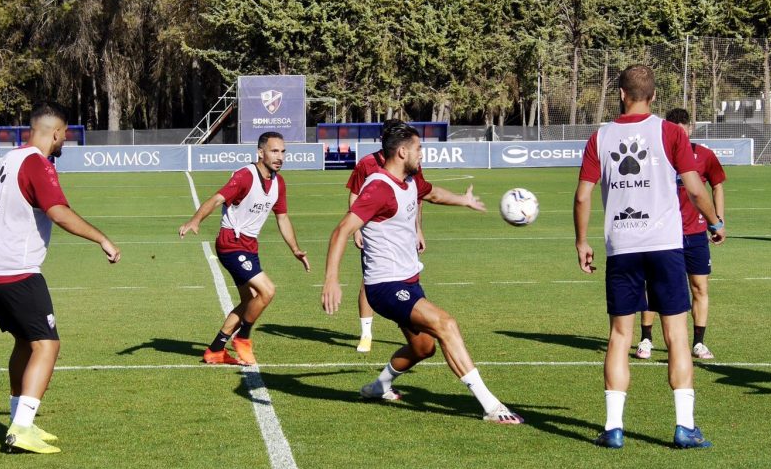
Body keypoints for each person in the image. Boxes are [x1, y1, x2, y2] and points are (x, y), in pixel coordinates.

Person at [321, 121, 522, 424]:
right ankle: (492, 407)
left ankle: (379, 387)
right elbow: (341, 231)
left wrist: (464, 200)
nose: (423, 155)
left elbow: (433, 193)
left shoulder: (411, 181)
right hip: (385, 286)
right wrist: (331, 280)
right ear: (402, 152)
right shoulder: (379, 187)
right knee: (446, 324)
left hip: (409, 280)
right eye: (419, 149)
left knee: (423, 347)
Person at [574, 65, 725, 449]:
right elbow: (694, 188)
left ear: (622, 94)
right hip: (664, 246)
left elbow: (582, 196)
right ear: (653, 96)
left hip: (622, 248)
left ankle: (613, 428)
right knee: (676, 335)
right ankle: (684, 427)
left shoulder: (601, 137)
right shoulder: (670, 131)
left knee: (620, 336)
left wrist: (581, 242)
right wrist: (714, 221)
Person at [0, 102, 121, 454]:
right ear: (55, 132)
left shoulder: (7, 160)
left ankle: (18, 421)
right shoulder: (36, 164)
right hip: (16, 270)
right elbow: (59, 213)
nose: (63, 142)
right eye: (64, 135)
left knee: (25, 342)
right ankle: (21, 429)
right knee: (47, 345)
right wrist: (102, 238)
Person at [179, 131, 309, 365]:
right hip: (231, 243)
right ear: (260, 152)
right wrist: (195, 220)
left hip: (249, 246)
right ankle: (244, 339)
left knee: (250, 301)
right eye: (274, 151)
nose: (280, 156)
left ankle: (216, 350)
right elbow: (217, 198)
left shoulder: (279, 182)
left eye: (282, 151)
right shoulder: (245, 176)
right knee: (267, 291)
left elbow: (283, 218)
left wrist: (295, 249)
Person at [634, 108, 727, 361]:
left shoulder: (705, 155)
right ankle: (646, 338)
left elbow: (717, 185)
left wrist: (717, 220)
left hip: (695, 233)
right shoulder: (656, 155)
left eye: (682, 128)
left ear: (690, 128)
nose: (678, 132)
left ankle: (698, 342)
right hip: (661, 233)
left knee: (699, 287)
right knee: (653, 287)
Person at [345, 119, 426, 353]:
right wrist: (357, 228)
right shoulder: (367, 163)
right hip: (374, 232)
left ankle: (414, 334)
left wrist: (418, 229)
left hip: (403, 232)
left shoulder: (410, 163)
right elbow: (354, 196)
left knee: (405, 279)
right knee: (370, 279)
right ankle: (366, 334)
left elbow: (417, 197)